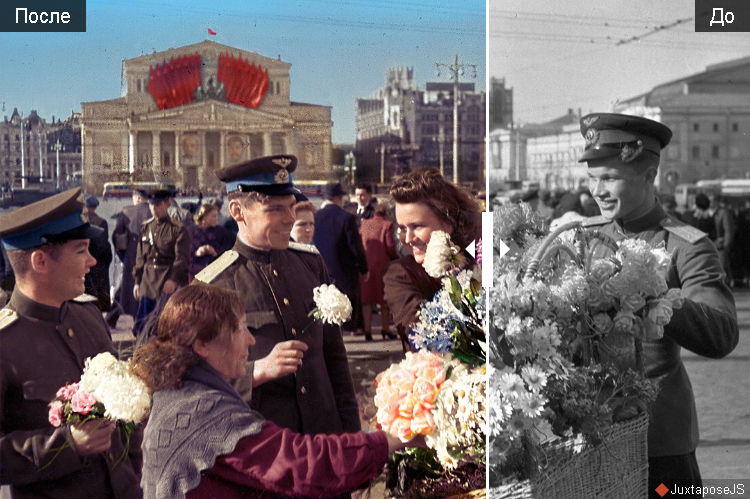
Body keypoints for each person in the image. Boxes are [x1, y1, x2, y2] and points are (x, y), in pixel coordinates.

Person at [577, 113, 739, 498]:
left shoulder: (687, 244)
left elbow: (722, 333)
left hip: (660, 443)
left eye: (609, 178)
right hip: (590, 437)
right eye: (591, 179)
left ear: (649, 176)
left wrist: (653, 291)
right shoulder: (584, 238)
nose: (596, 191)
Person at [133, 284, 419, 499]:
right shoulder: (206, 412)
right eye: (238, 329)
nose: (250, 340)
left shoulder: (175, 393)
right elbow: (304, 463)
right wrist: (392, 440)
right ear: (201, 345)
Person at [194, 155, 361, 441]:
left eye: (292, 206)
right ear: (237, 211)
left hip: (323, 437)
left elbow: (335, 359)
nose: (290, 218)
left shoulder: (310, 263)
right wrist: (255, 371)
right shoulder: (213, 285)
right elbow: (196, 382)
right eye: (275, 209)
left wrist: (352, 438)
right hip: (267, 449)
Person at [0, 188, 140, 498]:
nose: (92, 261)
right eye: (81, 251)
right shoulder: (5, 342)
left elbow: (123, 422)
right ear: (40, 261)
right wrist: (67, 445)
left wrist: (134, 474)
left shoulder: (88, 314)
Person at [383, 168, 481, 351]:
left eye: (417, 226)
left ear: (449, 223)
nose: (408, 238)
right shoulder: (400, 274)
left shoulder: (478, 257)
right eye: (403, 228)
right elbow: (419, 332)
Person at [133, 185, 191, 336]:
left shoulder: (177, 229)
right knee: (142, 326)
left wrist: (173, 279)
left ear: (167, 204)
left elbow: (182, 259)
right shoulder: (146, 228)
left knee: (166, 326)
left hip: (166, 281)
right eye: (151, 205)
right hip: (148, 283)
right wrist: (137, 281)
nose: (154, 209)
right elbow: (140, 257)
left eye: (158, 205)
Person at [313, 182, 369, 334]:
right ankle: (351, 327)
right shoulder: (347, 218)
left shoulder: (315, 217)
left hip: (320, 266)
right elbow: (355, 246)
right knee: (347, 299)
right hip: (344, 268)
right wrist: (364, 268)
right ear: (339, 198)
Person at [106, 187, 151, 328]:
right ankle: (140, 320)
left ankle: (112, 318)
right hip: (151, 258)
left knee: (126, 289)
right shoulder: (153, 211)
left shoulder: (127, 211)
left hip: (131, 257)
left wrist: (123, 255)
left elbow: (117, 237)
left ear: (136, 197)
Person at [359, 203, 399, 341]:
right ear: (386, 213)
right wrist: (397, 258)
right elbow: (390, 247)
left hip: (366, 266)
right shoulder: (388, 225)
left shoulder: (364, 224)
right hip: (383, 266)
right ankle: (385, 329)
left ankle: (368, 331)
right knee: (384, 301)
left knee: (367, 300)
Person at [187, 203, 235, 280]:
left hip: (216, 273)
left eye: (216, 216)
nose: (216, 219)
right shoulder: (190, 232)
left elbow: (230, 249)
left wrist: (215, 252)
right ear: (204, 217)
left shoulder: (221, 231)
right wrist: (196, 253)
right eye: (213, 216)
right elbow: (183, 254)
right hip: (195, 273)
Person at [83, 195, 113, 312]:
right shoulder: (101, 222)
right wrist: (107, 259)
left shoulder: (80, 221)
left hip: (82, 261)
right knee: (100, 293)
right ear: (95, 207)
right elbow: (103, 245)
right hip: (98, 262)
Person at [709, 193, 736, 286]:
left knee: (722, 269)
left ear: (716, 202)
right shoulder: (709, 212)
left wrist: (725, 246)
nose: (710, 203)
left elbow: (729, 230)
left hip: (720, 247)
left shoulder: (723, 213)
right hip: (711, 245)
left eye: (712, 201)